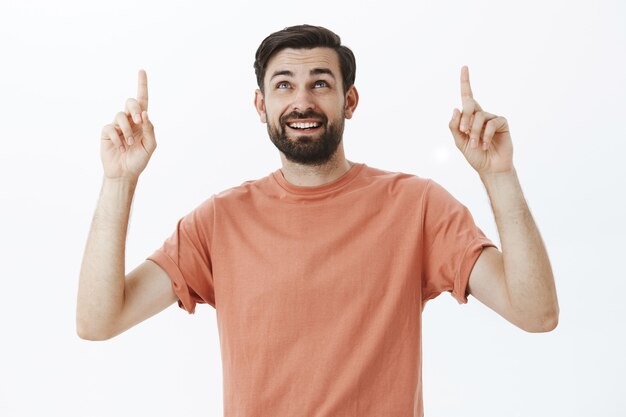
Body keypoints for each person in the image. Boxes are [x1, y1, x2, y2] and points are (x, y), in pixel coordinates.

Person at [77, 24, 559, 417]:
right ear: (261, 105)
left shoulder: (417, 206)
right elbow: (99, 320)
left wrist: (500, 175)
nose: (301, 101)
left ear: (349, 101)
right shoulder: (218, 221)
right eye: (283, 84)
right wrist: (119, 181)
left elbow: (535, 313)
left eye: (320, 83)